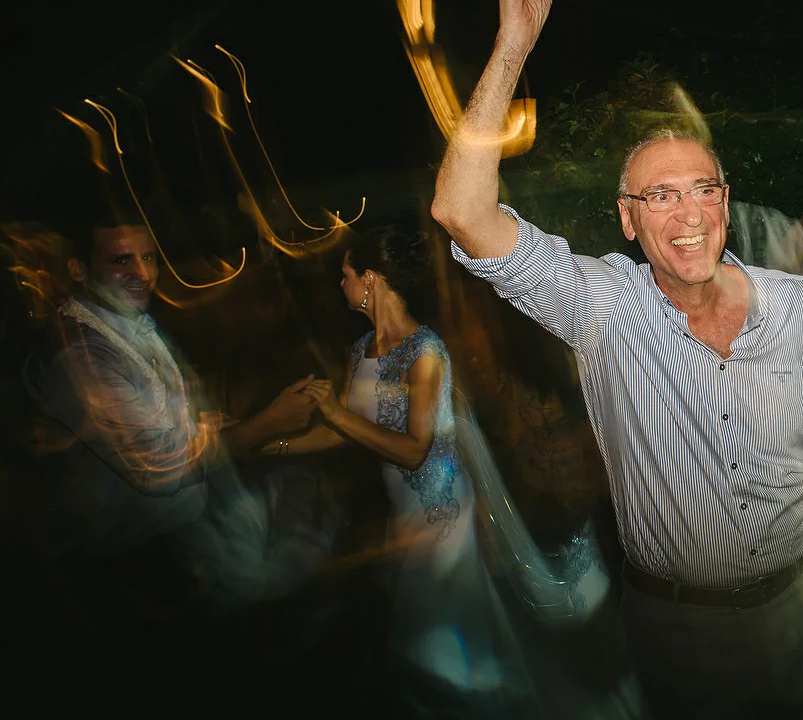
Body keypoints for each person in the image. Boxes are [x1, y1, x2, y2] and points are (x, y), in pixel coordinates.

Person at [430, 0, 803, 719]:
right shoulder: (602, 304)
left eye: (702, 190)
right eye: (659, 195)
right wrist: (513, 44)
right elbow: (460, 210)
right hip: (678, 631)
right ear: (628, 219)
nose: (687, 214)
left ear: (725, 199)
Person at [275, 224, 531, 707]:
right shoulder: (360, 351)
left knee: (443, 638)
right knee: (421, 636)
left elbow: (415, 448)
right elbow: (346, 430)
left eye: (346, 275)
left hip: (441, 515)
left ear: (370, 279)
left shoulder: (425, 352)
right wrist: (275, 444)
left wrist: (335, 414)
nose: (341, 285)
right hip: (402, 514)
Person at [21, 212, 321, 575]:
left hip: (172, 539)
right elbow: (158, 471)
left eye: (148, 257)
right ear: (78, 269)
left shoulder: (128, 324)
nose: (143, 274)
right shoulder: (82, 355)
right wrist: (267, 425)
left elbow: (169, 426)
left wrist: (214, 426)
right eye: (121, 260)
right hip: (125, 563)